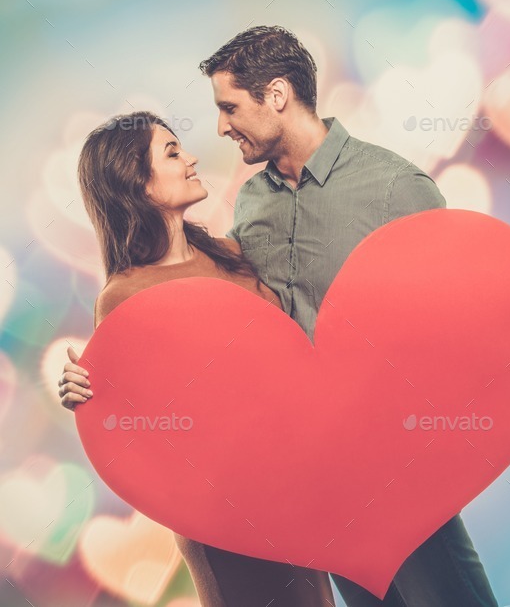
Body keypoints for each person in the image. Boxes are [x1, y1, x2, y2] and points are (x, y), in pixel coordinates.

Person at [60, 26, 510, 605]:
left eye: (229, 107)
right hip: (307, 501)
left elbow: (465, 306)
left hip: (396, 468)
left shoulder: (391, 187)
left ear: (278, 95)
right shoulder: (250, 212)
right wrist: (90, 385)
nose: (216, 130)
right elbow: (160, 387)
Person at [59, 111, 335, 607]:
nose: (190, 159)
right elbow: (138, 422)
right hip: (219, 516)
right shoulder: (123, 297)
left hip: (292, 496)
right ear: (136, 182)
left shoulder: (232, 255)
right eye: (171, 153)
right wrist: (83, 392)